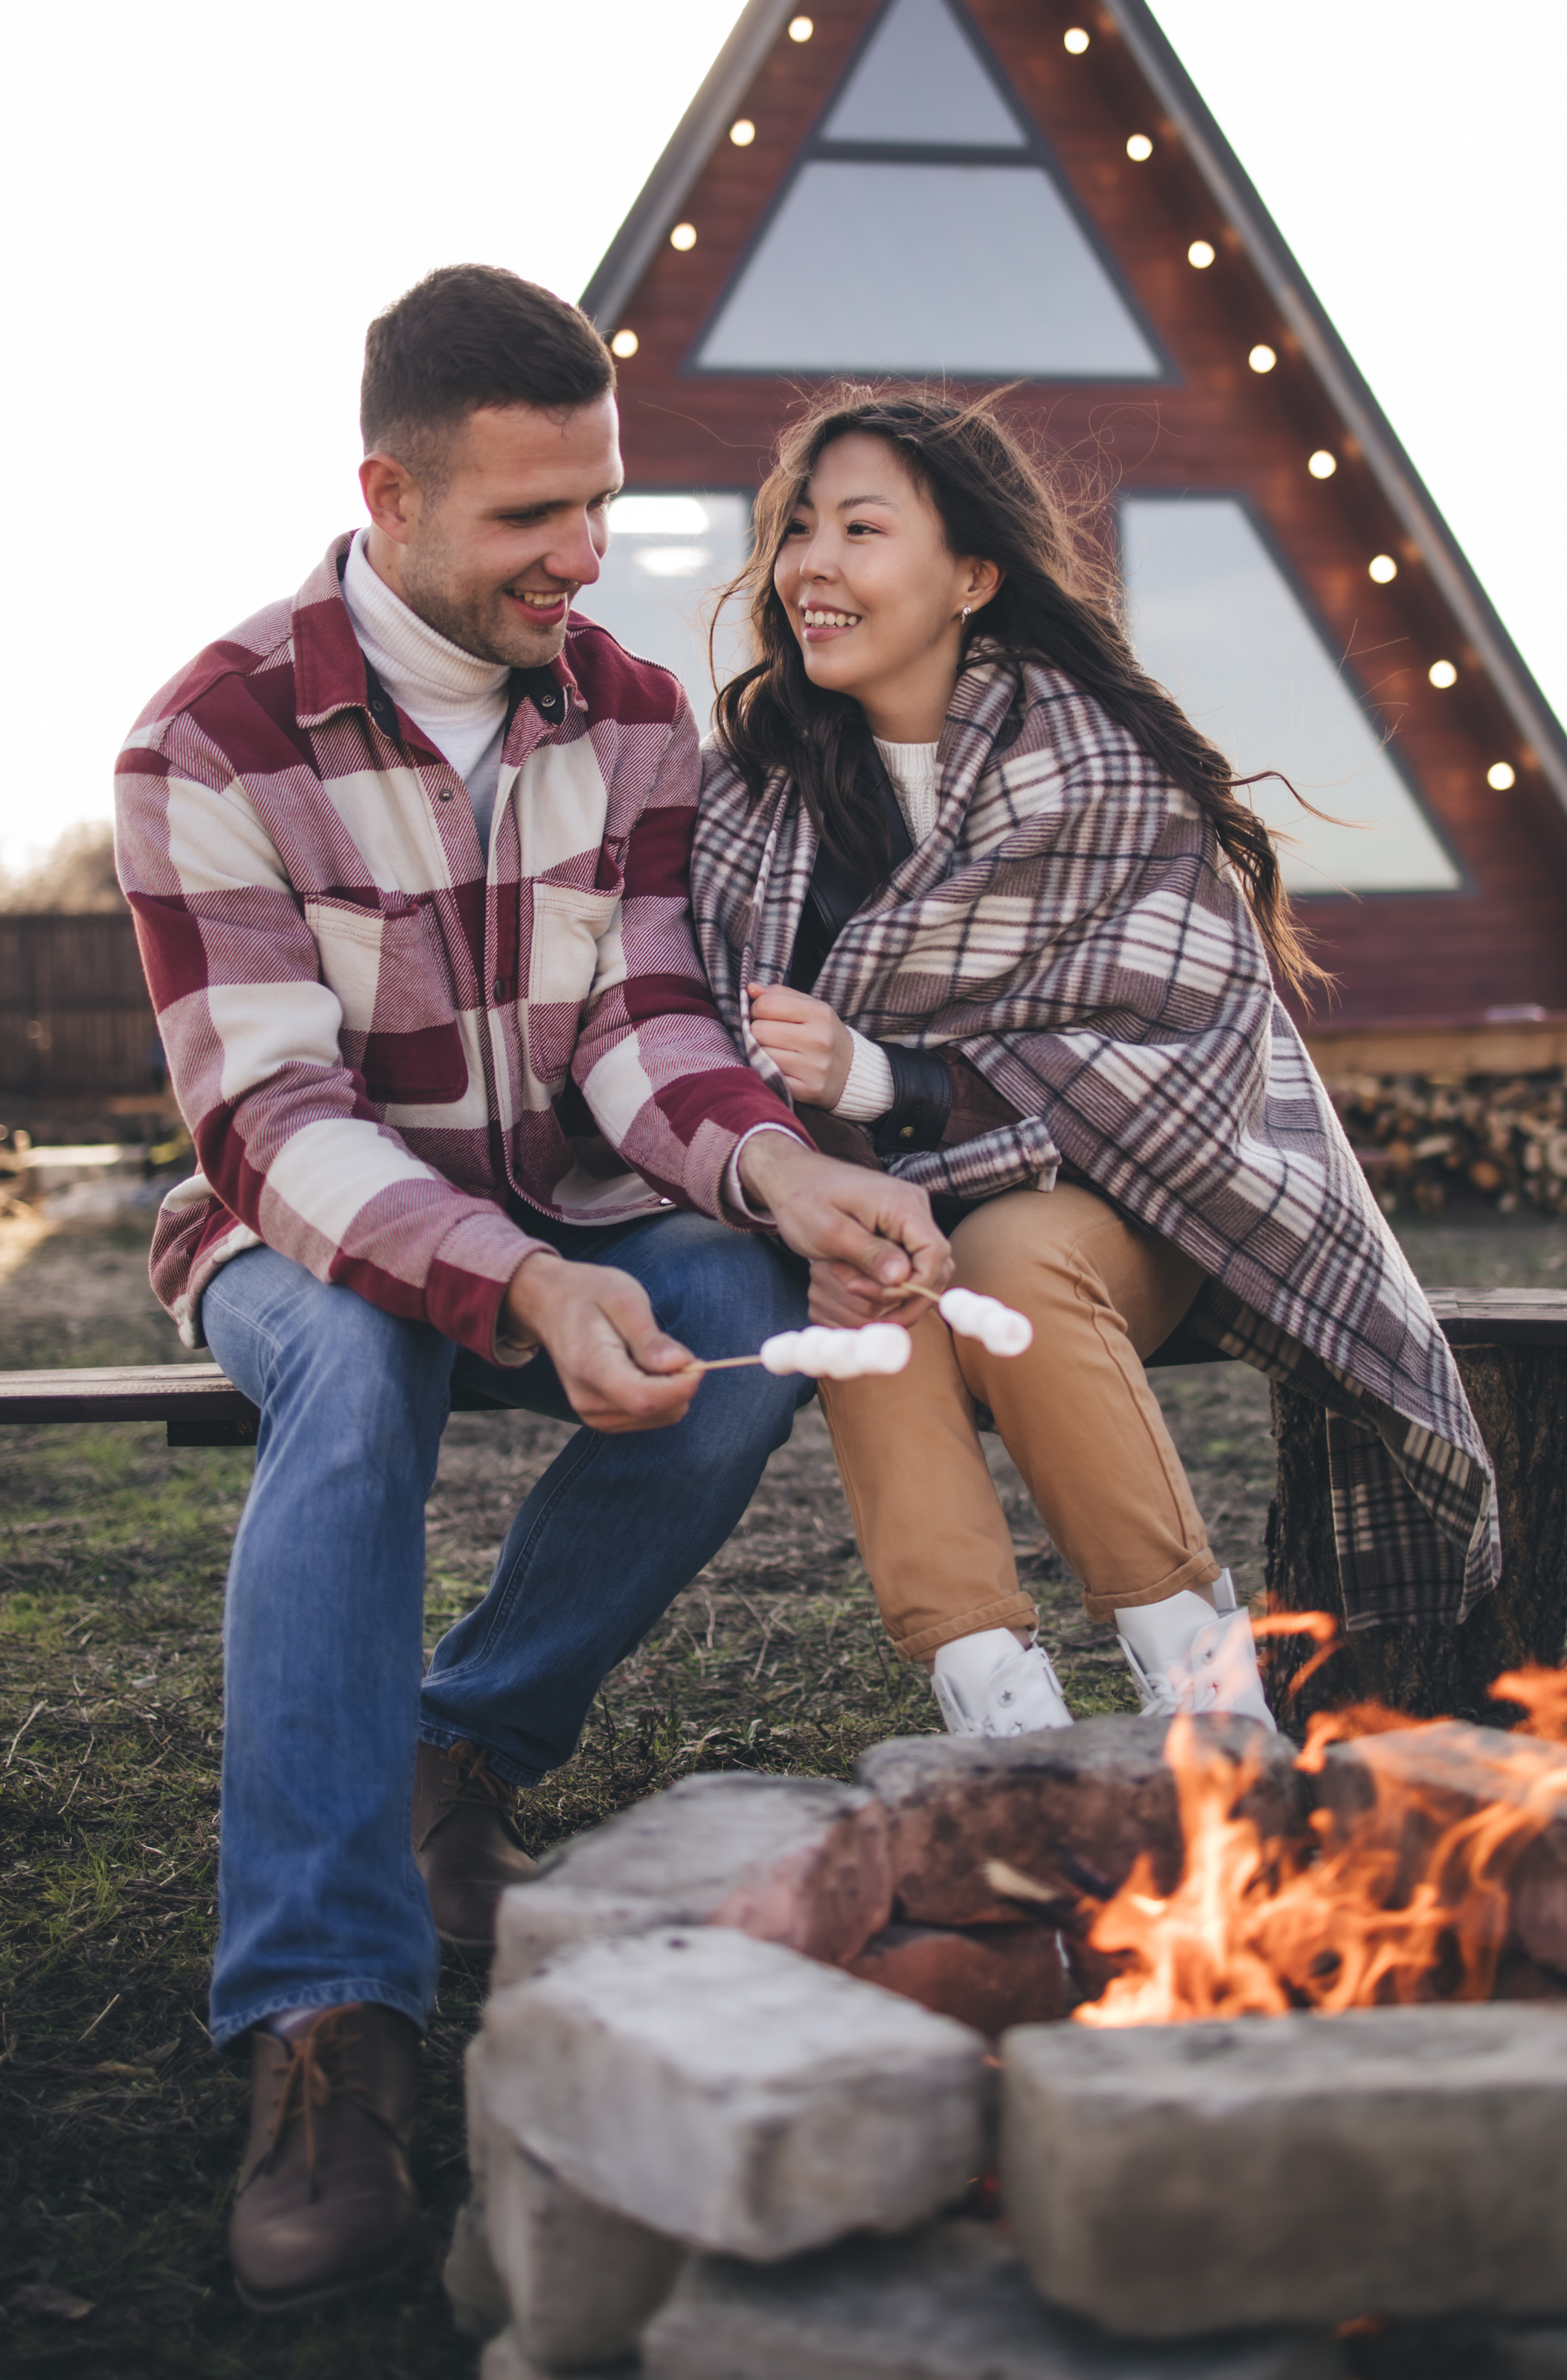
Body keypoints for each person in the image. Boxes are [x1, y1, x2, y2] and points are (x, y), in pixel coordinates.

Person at [112, 272, 951, 2316]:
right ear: (389, 495)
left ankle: (455, 1753)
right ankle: (321, 2020)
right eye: (525, 521)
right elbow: (279, 1115)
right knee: (366, 1356)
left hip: (572, 1189)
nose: (581, 558)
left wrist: (780, 1161)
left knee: (753, 1313)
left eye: (600, 503)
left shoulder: (633, 712)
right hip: (291, 1227)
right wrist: (513, 1285)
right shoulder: (205, 739)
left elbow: (640, 1029)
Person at [690, 387, 1499, 1741]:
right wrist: (833, 1162)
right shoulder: (753, 790)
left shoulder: (1102, 770)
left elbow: (1178, 1047)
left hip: (1138, 1201)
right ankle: (1003, 1721)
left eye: (864, 529)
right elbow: (716, 1038)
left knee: (1011, 1254)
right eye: (800, 529)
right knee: (873, 1292)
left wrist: (882, 1080)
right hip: (879, 1206)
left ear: (973, 577)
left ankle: (1212, 1704)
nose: (812, 566)